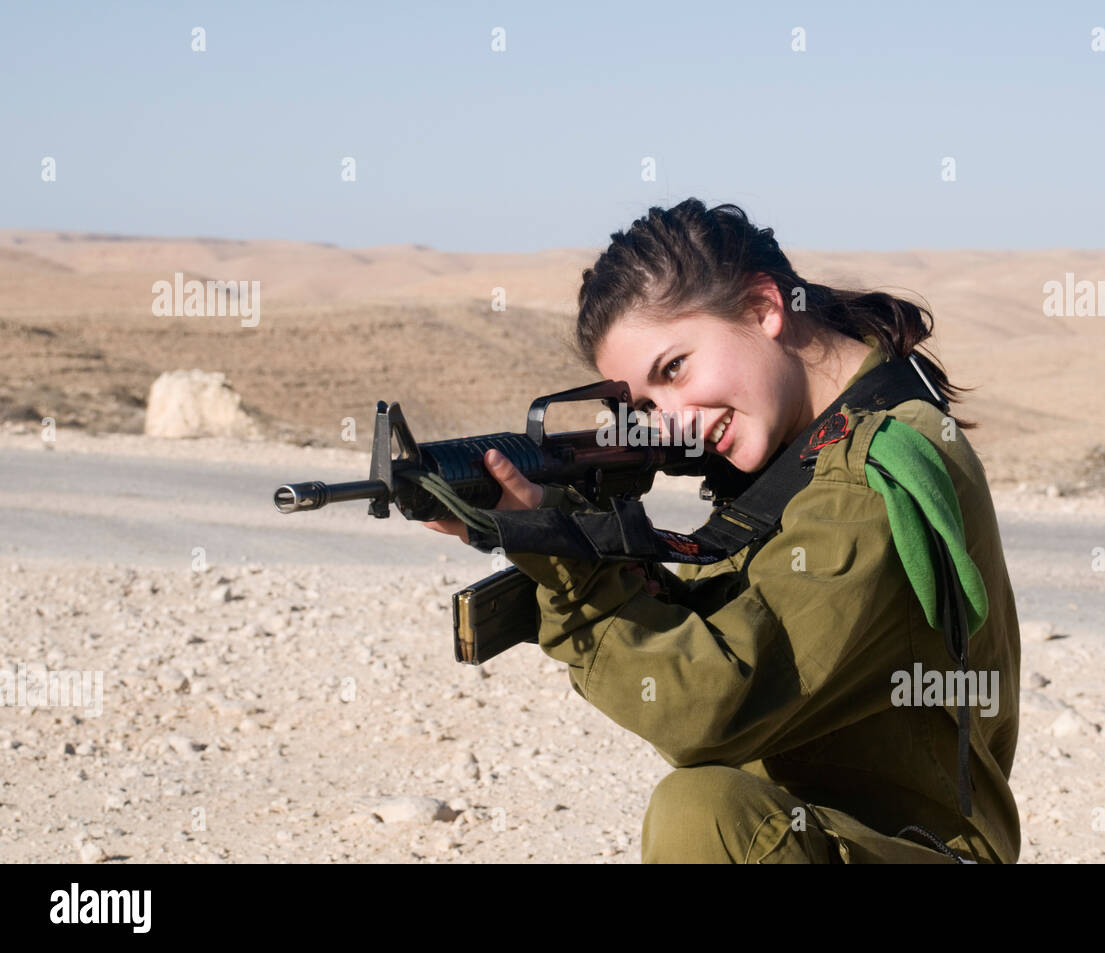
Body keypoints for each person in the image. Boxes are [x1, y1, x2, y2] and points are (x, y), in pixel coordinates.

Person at [425, 199, 1021, 864]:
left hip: (916, 847)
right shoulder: (814, 454)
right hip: (840, 835)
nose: (672, 419)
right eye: (648, 405)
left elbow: (708, 707)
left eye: (674, 368)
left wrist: (571, 571)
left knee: (701, 816)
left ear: (764, 308)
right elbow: (726, 629)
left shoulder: (867, 473)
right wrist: (550, 520)